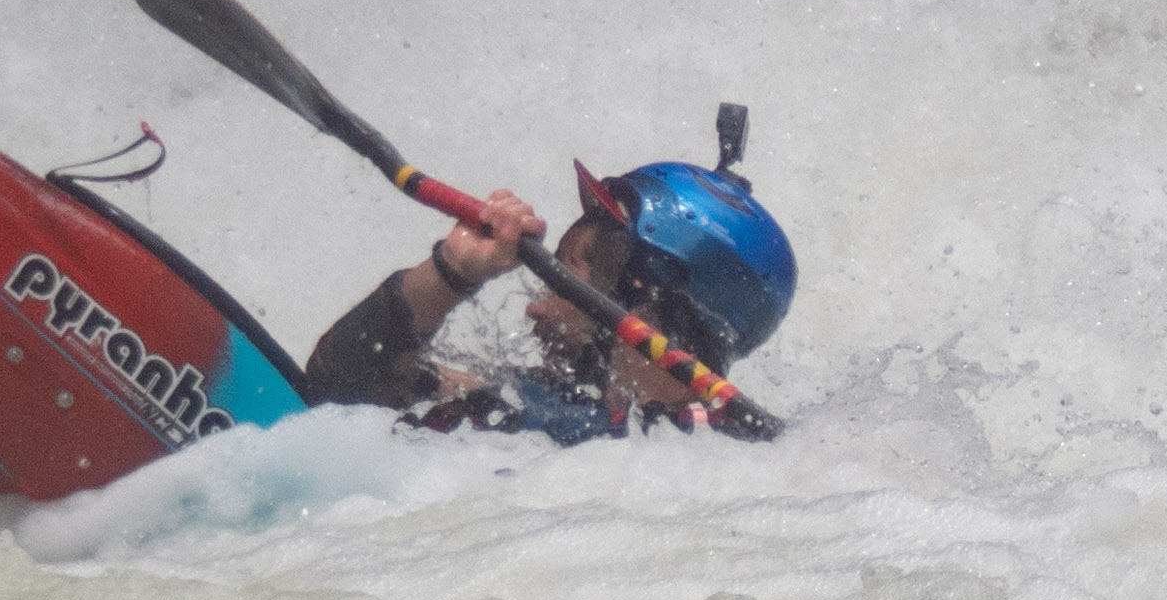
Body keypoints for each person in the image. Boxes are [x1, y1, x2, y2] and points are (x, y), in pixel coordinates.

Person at [302, 147, 797, 440]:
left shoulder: (727, 461)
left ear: (645, 301)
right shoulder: (522, 407)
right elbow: (338, 391)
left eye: (565, 277)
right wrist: (451, 273)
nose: (535, 307)